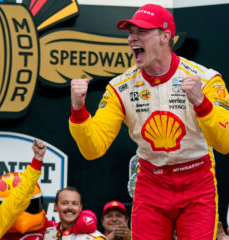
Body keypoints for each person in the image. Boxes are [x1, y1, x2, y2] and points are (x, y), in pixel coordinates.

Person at [69, 3, 229, 240]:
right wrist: (78, 110)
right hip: (151, 184)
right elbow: (93, 149)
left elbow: (224, 144)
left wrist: (201, 103)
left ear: (165, 36)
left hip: (197, 182)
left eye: (141, 32)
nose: (132, 38)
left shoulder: (206, 79)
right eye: (130, 32)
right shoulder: (119, 88)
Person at [0, 172, 98, 240]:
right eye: (65, 203)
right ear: (56, 206)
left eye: (27, 205)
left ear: (80, 207)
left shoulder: (45, 227)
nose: (70, 207)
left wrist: (87, 219)